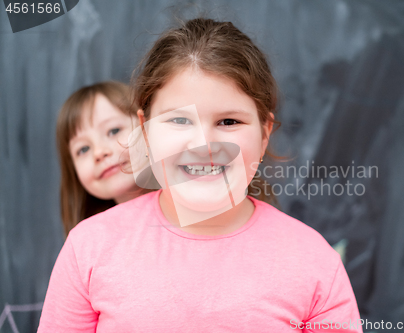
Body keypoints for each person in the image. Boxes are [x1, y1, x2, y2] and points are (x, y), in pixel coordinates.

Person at [38, 18, 362, 332]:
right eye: (179, 121)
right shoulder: (89, 248)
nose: (204, 145)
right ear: (146, 132)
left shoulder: (313, 261)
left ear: (264, 135)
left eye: (228, 122)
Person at [55, 81, 148, 237]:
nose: (99, 152)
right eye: (83, 149)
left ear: (146, 126)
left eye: (113, 131)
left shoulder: (196, 213)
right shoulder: (85, 243)